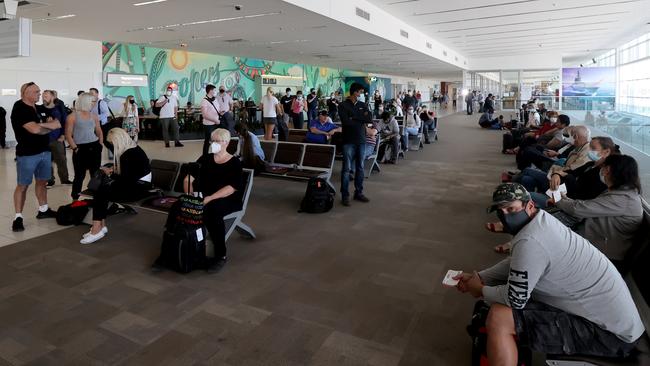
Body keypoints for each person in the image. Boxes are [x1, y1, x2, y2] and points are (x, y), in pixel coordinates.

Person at [455, 183, 644, 365]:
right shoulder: (541, 221)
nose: (505, 216)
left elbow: (515, 300)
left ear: (529, 206)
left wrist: (480, 289)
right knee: (501, 305)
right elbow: (518, 262)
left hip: (610, 335)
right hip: (612, 321)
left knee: (499, 318)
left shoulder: (532, 239)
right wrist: (480, 277)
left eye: (511, 209)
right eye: (500, 211)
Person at [554, 154, 643, 265]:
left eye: (603, 166)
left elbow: (578, 209)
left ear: (608, 169)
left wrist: (557, 200)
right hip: (596, 237)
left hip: (603, 252)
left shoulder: (623, 199)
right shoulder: (622, 192)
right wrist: (564, 199)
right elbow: (587, 206)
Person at [185, 128, 244, 274]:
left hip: (227, 199)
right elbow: (189, 178)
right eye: (213, 141)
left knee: (212, 211)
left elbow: (232, 188)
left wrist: (209, 198)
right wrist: (190, 194)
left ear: (227, 143)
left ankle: (220, 254)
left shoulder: (234, 163)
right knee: (182, 207)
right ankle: (188, 245)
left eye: (218, 141)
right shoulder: (205, 159)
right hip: (205, 196)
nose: (214, 144)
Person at [80, 128, 152, 244]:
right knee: (102, 191)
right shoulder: (133, 150)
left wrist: (110, 173)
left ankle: (97, 228)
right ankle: (99, 226)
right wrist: (113, 172)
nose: (112, 147)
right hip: (139, 185)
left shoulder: (128, 154)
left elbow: (125, 179)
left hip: (139, 188)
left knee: (101, 192)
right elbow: (128, 176)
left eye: (113, 144)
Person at [11, 82, 61, 232]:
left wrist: (43, 126)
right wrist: (46, 126)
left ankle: (43, 210)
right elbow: (34, 129)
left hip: (44, 151)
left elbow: (57, 123)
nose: (39, 94)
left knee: (42, 182)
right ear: (25, 93)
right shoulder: (19, 108)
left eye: (39, 91)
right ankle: (18, 217)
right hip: (27, 154)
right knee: (23, 185)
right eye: (36, 92)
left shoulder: (39, 108)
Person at [66, 92, 104, 200]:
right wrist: (75, 148)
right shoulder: (72, 116)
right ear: (86, 102)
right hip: (80, 148)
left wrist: (100, 144)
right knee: (79, 176)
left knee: (95, 175)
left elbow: (99, 131)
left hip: (94, 146)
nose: (94, 103)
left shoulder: (94, 116)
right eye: (92, 101)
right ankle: (75, 199)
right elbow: (68, 135)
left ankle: (97, 197)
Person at [338, 82, 371, 206]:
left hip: (361, 140)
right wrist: (360, 118)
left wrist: (354, 117)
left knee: (360, 168)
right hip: (348, 141)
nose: (361, 95)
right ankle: (345, 195)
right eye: (360, 92)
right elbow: (346, 122)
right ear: (354, 92)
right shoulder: (343, 105)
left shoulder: (363, 104)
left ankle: (359, 192)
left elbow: (369, 119)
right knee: (346, 169)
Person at [40, 90, 71, 186]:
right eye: (43, 96)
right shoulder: (39, 108)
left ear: (52, 97)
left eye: (46, 96)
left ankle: (65, 179)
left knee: (61, 160)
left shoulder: (59, 108)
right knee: (46, 161)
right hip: (44, 139)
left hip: (57, 138)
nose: (43, 98)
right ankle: (50, 180)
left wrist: (63, 135)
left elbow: (64, 122)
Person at [200, 84, 220, 156]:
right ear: (210, 91)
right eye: (214, 90)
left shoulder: (215, 99)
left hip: (216, 123)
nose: (215, 91)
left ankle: (216, 155)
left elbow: (217, 109)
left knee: (216, 140)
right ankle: (204, 156)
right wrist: (215, 120)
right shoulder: (204, 101)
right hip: (208, 125)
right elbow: (204, 115)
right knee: (208, 141)